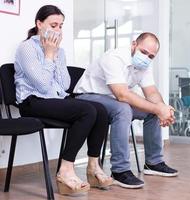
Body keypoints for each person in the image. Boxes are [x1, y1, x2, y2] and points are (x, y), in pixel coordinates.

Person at [14, 5, 113, 195]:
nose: (58, 30)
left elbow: (65, 84)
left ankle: (93, 167)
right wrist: (49, 54)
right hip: (32, 102)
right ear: (39, 24)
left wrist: (56, 54)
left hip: (54, 100)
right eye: (53, 25)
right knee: (87, 111)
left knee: (100, 110)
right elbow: (42, 86)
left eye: (61, 26)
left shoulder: (60, 50)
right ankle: (65, 171)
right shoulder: (26, 48)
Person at [74, 32, 178, 189]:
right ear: (134, 44)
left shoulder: (144, 65)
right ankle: (119, 170)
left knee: (151, 111)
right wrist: (158, 108)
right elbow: (122, 95)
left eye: (151, 56)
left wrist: (162, 109)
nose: (146, 57)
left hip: (112, 100)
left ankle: (153, 162)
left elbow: (152, 93)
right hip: (88, 97)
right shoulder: (114, 58)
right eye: (143, 52)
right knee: (123, 109)